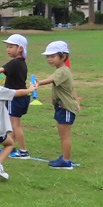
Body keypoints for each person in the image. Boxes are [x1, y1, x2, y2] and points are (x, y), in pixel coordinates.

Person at [34, 40, 79, 169]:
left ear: (63, 56)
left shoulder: (62, 71)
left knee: (65, 135)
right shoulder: (62, 70)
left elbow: (51, 79)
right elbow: (71, 89)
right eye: (47, 56)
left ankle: (65, 161)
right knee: (62, 135)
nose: (49, 59)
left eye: (52, 56)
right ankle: (65, 157)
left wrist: (40, 83)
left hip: (65, 108)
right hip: (62, 107)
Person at [0, 34, 30, 158]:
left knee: (15, 125)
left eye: (11, 47)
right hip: (21, 97)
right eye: (7, 47)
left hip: (14, 97)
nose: (8, 49)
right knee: (12, 124)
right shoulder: (21, 63)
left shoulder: (14, 62)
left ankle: (23, 151)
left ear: (20, 48)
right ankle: (10, 147)